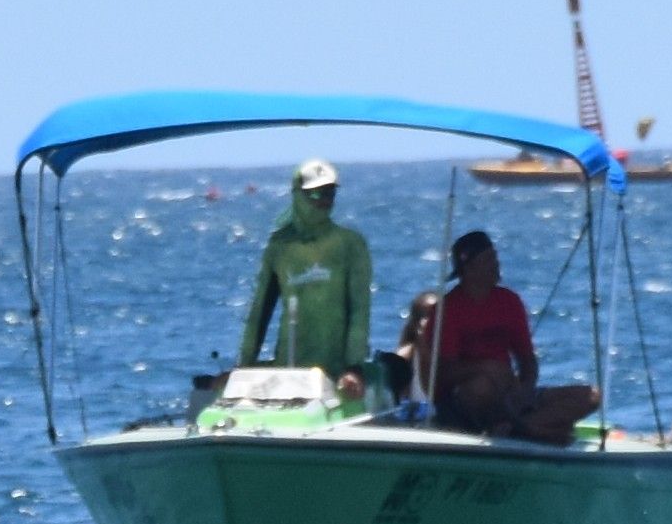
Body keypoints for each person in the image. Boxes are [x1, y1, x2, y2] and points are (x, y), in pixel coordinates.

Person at [401, 230, 599, 442]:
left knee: (591, 395)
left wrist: (524, 391)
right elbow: (443, 374)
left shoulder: (509, 302)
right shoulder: (447, 310)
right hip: (464, 399)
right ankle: (531, 427)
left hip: (508, 393)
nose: (496, 264)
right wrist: (486, 368)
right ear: (469, 268)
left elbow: (527, 360)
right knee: (481, 387)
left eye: (495, 257)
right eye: (488, 259)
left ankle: (520, 428)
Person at [238, 157, 375, 389]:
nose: (323, 201)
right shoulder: (279, 245)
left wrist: (354, 368)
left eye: (330, 193)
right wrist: (243, 366)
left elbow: (359, 311)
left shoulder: (350, 243)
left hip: (336, 374)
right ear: (297, 195)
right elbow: (260, 312)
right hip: (289, 368)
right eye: (314, 194)